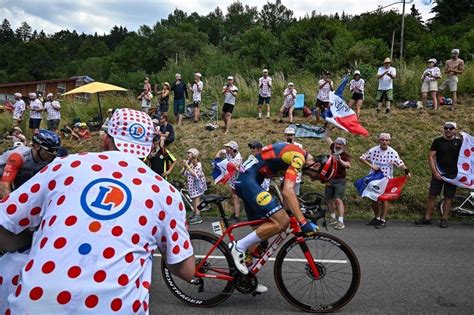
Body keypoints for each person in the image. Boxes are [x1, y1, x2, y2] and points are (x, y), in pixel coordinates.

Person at [0, 108, 195, 314]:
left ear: (106, 139)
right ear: (149, 148)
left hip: (35, 305)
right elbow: (185, 270)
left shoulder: (65, 165)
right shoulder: (166, 193)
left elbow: (4, 224)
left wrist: (34, 242)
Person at [230, 142, 338, 278]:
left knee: (261, 238)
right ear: (316, 165)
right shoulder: (298, 158)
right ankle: (238, 247)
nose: (311, 178)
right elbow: (288, 192)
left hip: (249, 180)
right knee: (282, 222)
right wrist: (303, 222)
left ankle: (243, 278)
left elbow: (283, 190)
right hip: (248, 181)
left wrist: (297, 211)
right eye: (315, 176)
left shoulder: (297, 155)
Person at [415, 122, 462, 228]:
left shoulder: (459, 142)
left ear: (455, 130)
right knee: (432, 195)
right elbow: (431, 156)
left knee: (448, 197)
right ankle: (427, 218)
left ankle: (444, 219)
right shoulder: (437, 141)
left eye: (451, 128)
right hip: (438, 173)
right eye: (446, 128)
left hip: (453, 174)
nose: (448, 130)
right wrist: (435, 172)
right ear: (444, 129)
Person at [360, 133, 411, 228]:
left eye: (386, 140)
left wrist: (407, 171)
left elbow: (400, 163)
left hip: (386, 178)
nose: (384, 142)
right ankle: (377, 218)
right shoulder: (373, 150)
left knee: (384, 199)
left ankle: (383, 220)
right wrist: (371, 165)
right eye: (382, 140)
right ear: (379, 140)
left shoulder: (393, 152)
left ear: (389, 141)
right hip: (374, 178)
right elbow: (362, 158)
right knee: (373, 198)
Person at [0, 129, 60, 198]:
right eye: (50, 150)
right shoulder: (19, 157)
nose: (54, 154)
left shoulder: (50, 157)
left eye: (56, 150)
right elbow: (4, 185)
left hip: (17, 176)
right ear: (37, 146)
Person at [324, 130, 352, 230]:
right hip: (329, 179)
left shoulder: (346, 156)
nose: (338, 146)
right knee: (329, 199)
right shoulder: (333, 147)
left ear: (344, 146)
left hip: (340, 180)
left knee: (338, 200)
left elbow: (348, 165)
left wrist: (339, 159)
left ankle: (341, 221)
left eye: (340, 144)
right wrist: (328, 128)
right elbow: (327, 138)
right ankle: (332, 218)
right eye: (337, 144)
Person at [215, 141, 242, 222]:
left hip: (237, 180)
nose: (225, 148)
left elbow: (233, 168)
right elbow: (216, 158)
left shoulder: (238, 158)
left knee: (235, 197)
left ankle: (237, 216)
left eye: (227, 147)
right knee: (234, 196)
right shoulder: (229, 153)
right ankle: (236, 213)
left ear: (232, 149)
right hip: (232, 179)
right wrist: (219, 152)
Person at [182, 148, 207, 225]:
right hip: (191, 184)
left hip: (197, 184)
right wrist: (185, 167)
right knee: (193, 199)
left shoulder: (198, 164)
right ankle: (194, 213)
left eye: (189, 153)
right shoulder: (189, 163)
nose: (188, 155)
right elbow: (182, 173)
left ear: (194, 155)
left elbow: (194, 174)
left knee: (197, 199)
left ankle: (198, 216)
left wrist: (187, 166)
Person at [283, 127, 303, 195]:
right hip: (285, 172)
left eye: (291, 135)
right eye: (288, 135)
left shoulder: (299, 146)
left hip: (296, 173)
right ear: (285, 136)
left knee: (295, 195)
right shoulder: (282, 145)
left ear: (294, 136)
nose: (290, 137)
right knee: (285, 194)